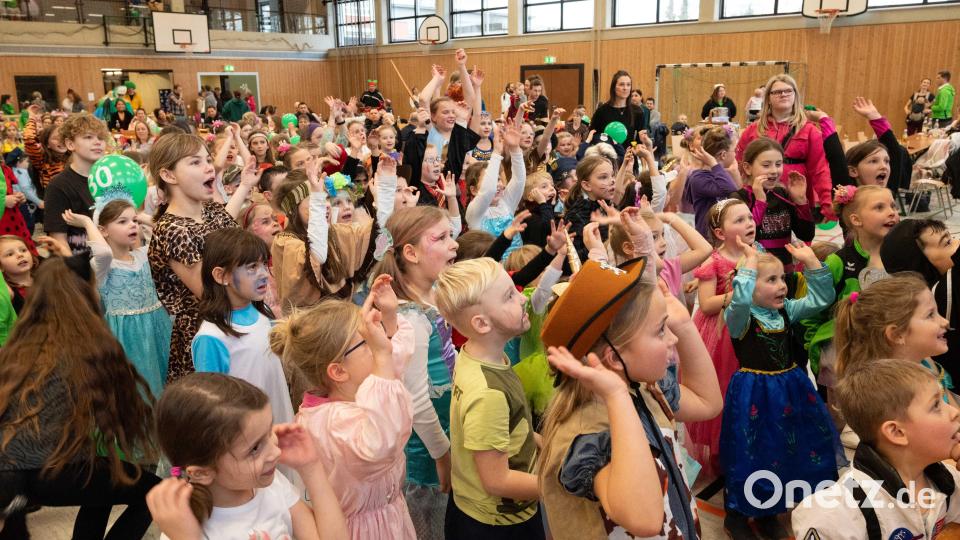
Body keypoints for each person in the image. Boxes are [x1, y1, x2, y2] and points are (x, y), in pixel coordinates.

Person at [539, 252, 722, 539]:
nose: (672, 338)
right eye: (660, 331)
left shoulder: (644, 387)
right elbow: (645, 520)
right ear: (614, 358)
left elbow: (707, 403)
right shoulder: (585, 434)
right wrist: (616, 396)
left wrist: (685, 326)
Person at [0, 256, 159, 540]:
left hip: (8, 475)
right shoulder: (92, 348)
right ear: (84, 293)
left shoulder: (18, 347)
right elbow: (123, 417)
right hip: (52, 473)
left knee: (105, 478)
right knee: (156, 491)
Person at [274, 277, 418, 539]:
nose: (380, 342)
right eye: (368, 340)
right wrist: (381, 354)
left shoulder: (362, 389)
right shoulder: (330, 422)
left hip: (389, 517)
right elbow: (382, 444)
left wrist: (388, 317)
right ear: (338, 371)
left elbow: (391, 368)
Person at [720, 237, 840, 539]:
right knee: (753, 451)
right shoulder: (740, 317)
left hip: (790, 389)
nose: (782, 286)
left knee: (783, 449)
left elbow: (822, 299)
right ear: (748, 285)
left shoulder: (786, 310)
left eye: (782, 279)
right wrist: (749, 265)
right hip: (754, 394)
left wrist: (811, 262)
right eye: (771, 280)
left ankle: (769, 511)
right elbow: (740, 301)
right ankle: (737, 515)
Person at [146, 373, 349, 540]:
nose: (276, 452)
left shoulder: (272, 485)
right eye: (254, 448)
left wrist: (311, 467)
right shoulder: (185, 530)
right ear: (202, 473)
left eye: (269, 432)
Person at [433, 258, 544, 539]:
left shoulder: (478, 356)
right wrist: (558, 487)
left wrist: (542, 441)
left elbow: (510, 424)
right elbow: (497, 481)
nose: (522, 298)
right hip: (495, 524)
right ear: (482, 323)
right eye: (509, 296)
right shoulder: (487, 394)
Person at [791, 359, 960, 540]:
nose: (955, 412)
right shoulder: (836, 514)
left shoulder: (948, 480)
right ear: (896, 432)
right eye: (936, 405)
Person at [374, 205, 459, 540]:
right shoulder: (410, 316)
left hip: (445, 422)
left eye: (452, 235)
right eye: (442, 238)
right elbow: (417, 400)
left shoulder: (432, 295)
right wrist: (443, 454)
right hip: (427, 446)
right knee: (431, 523)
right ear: (410, 253)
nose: (454, 244)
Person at [148, 134, 257, 383]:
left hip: (233, 322)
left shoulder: (208, 210)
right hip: (208, 336)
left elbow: (222, 222)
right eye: (195, 162)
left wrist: (244, 185)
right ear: (169, 175)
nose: (209, 167)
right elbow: (211, 292)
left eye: (208, 159)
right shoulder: (173, 230)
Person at [63, 201, 171, 398]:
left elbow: (169, 233)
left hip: (158, 327)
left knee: (166, 380)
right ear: (103, 231)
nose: (132, 225)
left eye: (134, 221)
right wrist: (88, 223)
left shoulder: (144, 254)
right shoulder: (102, 265)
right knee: (143, 387)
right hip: (128, 336)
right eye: (122, 221)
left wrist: (142, 217)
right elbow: (104, 252)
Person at [191, 228, 294, 429]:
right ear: (221, 275)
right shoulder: (211, 337)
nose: (264, 274)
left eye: (264, 264)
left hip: (281, 424)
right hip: (248, 434)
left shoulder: (263, 313)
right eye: (252, 267)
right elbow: (212, 406)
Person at [802, 185, 900, 387]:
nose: (892, 212)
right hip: (848, 358)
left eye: (893, 206)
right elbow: (812, 310)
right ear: (856, 220)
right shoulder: (838, 262)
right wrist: (817, 349)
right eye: (879, 207)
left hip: (893, 353)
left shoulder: (904, 256)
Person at [684, 198, 754, 477]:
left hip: (752, 328)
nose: (749, 223)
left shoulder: (756, 253)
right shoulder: (714, 261)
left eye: (749, 217)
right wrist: (739, 293)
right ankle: (721, 450)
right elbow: (707, 304)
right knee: (724, 387)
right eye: (739, 220)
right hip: (720, 334)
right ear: (720, 233)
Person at [834, 275, 952, 399]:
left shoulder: (925, 362)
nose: (945, 322)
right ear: (897, 334)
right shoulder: (892, 396)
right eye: (930, 315)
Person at [736, 74, 833, 221]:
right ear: (768, 98)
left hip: (796, 196)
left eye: (788, 91)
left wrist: (827, 203)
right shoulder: (753, 130)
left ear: (795, 96)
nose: (783, 94)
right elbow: (739, 164)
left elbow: (820, 169)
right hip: (759, 196)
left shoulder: (809, 130)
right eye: (777, 92)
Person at [881, 218, 960, 382]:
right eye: (947, 243)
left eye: (951, 238)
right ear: (921, 264)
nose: (957, 243)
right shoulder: (939, 293)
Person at [732, 137, 814, 270]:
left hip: (784, 271)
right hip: (755, 271)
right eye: (766, 165)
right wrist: (760, 202)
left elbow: (806, 235)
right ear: (747, 168)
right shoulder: (739, 198)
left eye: (778, 164)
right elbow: (746, 238)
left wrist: (800, 200)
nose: (774, 170)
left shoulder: (782, 194)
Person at [43, 112, 108, 255]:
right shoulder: (59, 186)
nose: (97, 142)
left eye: (101, 138)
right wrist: (73, 267)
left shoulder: (110, 178)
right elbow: (59, 241)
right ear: (70, 144)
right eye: (88, 137)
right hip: (83, 261)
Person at [679, 125, 739, 238]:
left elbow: (737, 194)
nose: (736, 154)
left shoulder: (720, 174)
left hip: (721, 234)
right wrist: (714, 163)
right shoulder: (698, 178)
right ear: (723, 155)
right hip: (708, 238)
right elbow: (730, 189)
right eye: (735, 150)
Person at [590, 71, 644, 145]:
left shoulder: (637, 111)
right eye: (621, 84)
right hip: (606, 151)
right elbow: (593, 135)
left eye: (628, 85)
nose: (625, 88)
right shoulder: (602, 111)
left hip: (628, 151)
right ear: (614, 87)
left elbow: (640, 138)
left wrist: (635, 149)